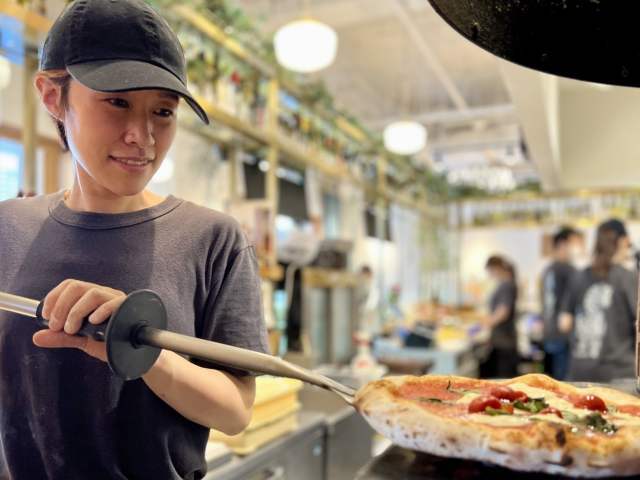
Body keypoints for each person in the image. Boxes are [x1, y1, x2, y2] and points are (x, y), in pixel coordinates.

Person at [0, 1, 269, 478]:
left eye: (163, 112)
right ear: (53, 96)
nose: (141, 137)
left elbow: (235, 411)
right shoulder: (7, 227)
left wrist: (141, 350)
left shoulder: (214, 240)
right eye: (118, 102)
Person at [559, 219, 638, 382]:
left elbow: (564, 323)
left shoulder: (578, 276)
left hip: (580, 370)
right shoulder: (627, 277)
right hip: (618, 371)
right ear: (623, 241)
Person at [540, 226, 583, 380]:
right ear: (563, 244)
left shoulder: (548, 270)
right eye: (575, 243)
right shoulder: (569, 270)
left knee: (552, 381)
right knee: (564, 382)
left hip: (549, 332)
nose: (578, 248)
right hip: (564, 336)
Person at [480, 255, 519, 378]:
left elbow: (503, 312)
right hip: (502, 340)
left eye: (490, 271)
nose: (490, 275)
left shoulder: (506, 285)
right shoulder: (506, 284)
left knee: (504, 380)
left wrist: (487, 323)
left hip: (504, 342)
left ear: (496, 268)